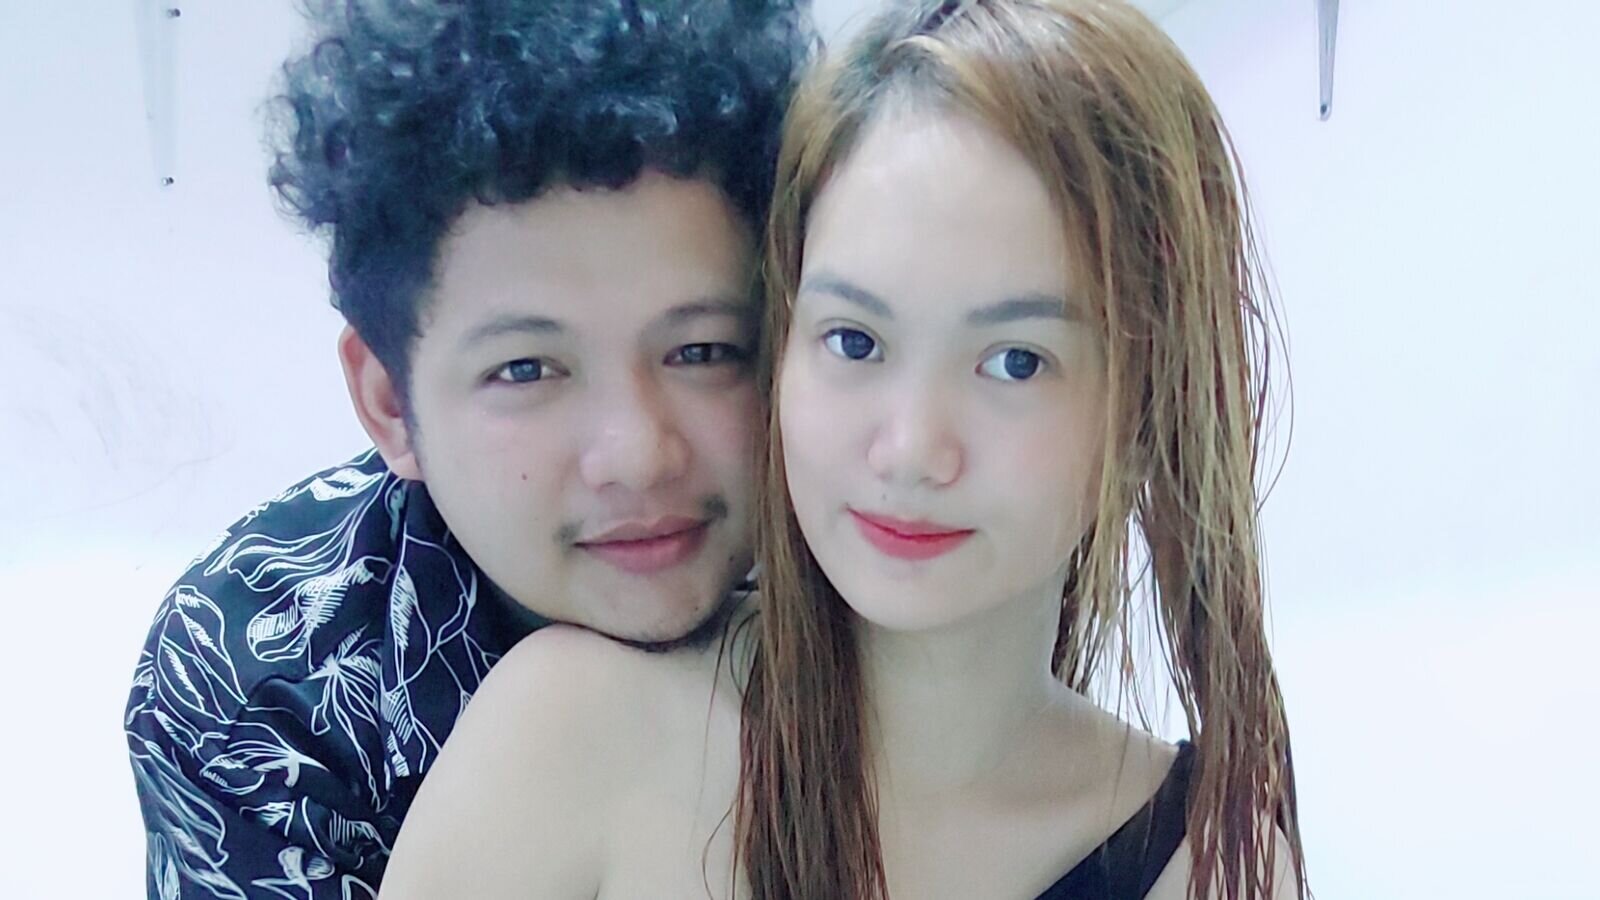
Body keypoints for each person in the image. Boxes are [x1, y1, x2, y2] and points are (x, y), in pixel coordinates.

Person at [381, 0, 1307, 898]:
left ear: (1149, 404)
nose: (910, 450)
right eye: (854, 341)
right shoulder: (575, 733)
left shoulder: (1211, 866)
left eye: (1016, 361)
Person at [122, 1, 811, 896]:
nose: (639, 455)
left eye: (705, 351)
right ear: (389, 405)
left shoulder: (883, 567)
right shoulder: (249, 681)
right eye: (526, 369)